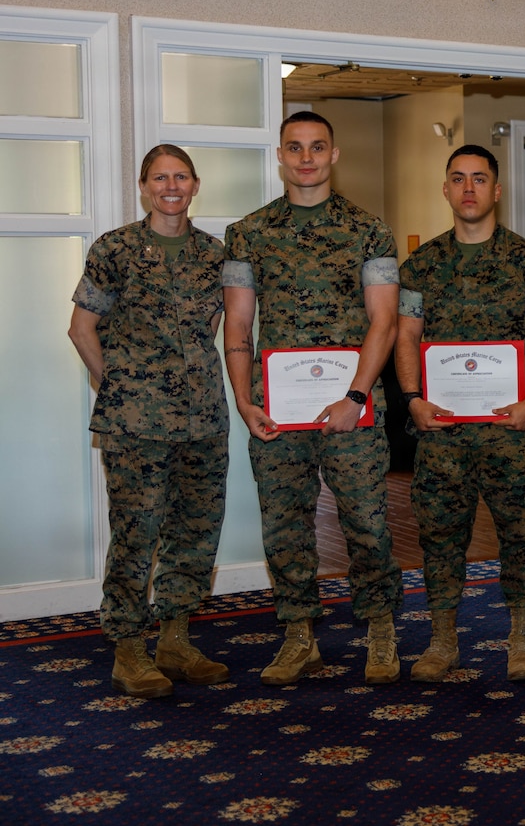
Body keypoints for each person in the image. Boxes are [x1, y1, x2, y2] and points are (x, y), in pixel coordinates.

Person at [222, 111, 404, 686]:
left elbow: (384, 321)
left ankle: (380, 629)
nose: (306, 158)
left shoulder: (367, 229)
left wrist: (354, 395)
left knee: (367, 522)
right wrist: (245, 401)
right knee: (284, 525)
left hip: (352, 408)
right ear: (279, 155)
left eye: (317, 147)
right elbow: (238, 326)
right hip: (277, 406)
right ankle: (300, 634)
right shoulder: (247, 233)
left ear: (334, 154)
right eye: (295, 148)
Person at [68, 145, 231, 698]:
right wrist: (115, 385)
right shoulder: (114, 249)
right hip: (136, 425)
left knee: (196, 531)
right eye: (159, 177)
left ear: (194, 184)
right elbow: (81, 328)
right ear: (143, 186)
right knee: (137, 536)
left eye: (180, 176)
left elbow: (214, 325)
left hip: (204, 419)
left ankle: (176, 639)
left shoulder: (216, 254)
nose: (170, 186)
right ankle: (128, 649)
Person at [394, 145, 525, 682]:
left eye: (480, 179)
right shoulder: (420, 266)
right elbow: (407, 337)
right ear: (445, 189)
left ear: (497, 190)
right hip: (442, 430)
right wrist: (413, 398)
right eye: (458, 179)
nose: (469, 189)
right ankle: (443, 640)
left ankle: (522, 638)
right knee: (440, 536)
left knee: (522, 534)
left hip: (509, 428)